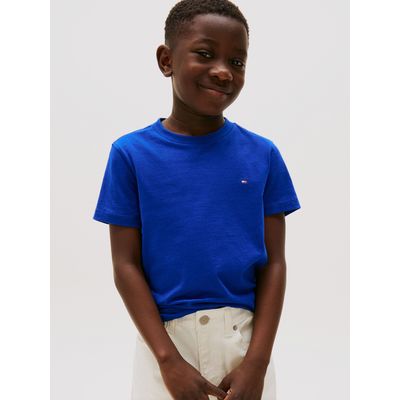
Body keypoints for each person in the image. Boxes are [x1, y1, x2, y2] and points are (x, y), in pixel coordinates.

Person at [93, 0, 301, 399]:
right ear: (166, 60)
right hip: (163, 346)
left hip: (243, 346)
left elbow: (275, 263)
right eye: (205, 54)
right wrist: (168, 361)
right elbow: (125, 265)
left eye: (237, 62)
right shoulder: (130, 155)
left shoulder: (263, 155)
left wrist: (257, 363)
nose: (223, 71)